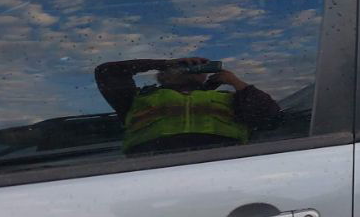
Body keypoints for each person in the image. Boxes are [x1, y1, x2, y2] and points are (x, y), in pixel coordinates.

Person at [94, 56, 280, 155]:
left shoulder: (230, 98)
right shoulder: (135, 100)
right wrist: (165, 62)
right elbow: (107, 71)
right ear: (162, 75)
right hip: (149, 171)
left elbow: (268, 114)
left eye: (198, 67)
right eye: (181, 66)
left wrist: (235, 82)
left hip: (223, 167)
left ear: (206, 74)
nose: (188, 69)